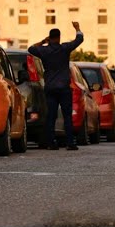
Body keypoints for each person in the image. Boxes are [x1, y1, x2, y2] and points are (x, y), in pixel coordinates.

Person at [28, 22, 84, 151]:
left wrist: (43, 41)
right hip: (64, 87)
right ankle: (70, 143)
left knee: (51, 116)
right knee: (67, 115)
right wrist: (77, 28)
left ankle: (51, 143)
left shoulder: (44, 50)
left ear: (50, 37)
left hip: (50, 87)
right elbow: (79, 39)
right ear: (59, 37)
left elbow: (31, 49)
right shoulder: (64, 48)